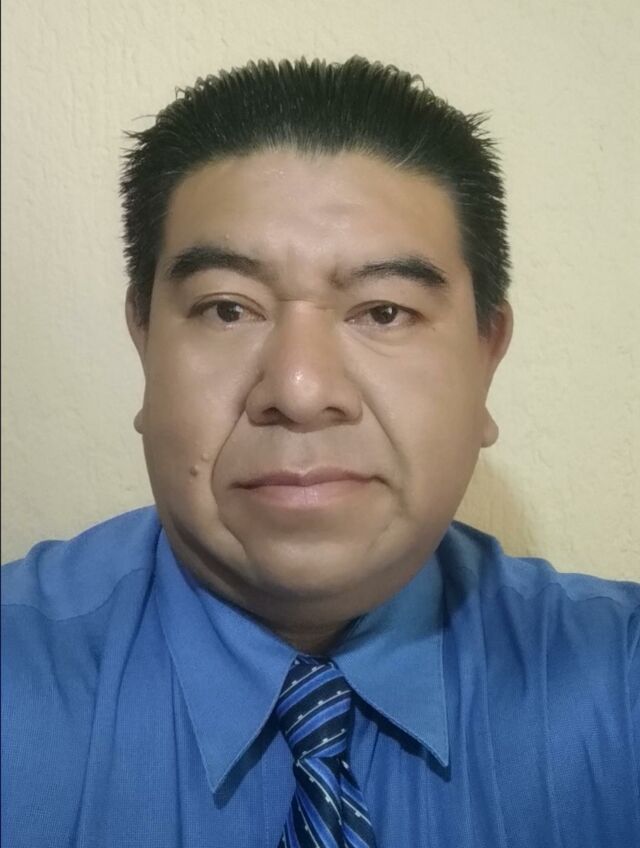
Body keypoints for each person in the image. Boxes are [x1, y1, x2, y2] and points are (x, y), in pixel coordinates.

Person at [2, 56, 638, 848]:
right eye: (227, 309)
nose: (301, 390)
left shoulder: (618, 684)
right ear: (144, 340)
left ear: (487, 355)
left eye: (384, 311)